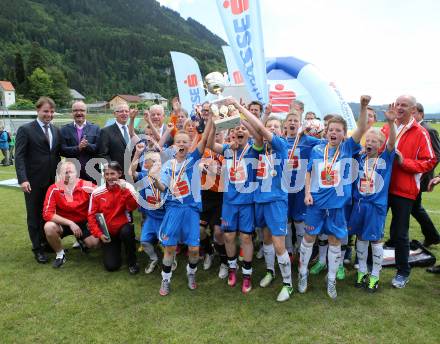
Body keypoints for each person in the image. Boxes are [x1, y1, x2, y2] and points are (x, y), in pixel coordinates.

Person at [298, 95, 370, 299]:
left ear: (343, 134)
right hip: (316, 204)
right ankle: (302, 275)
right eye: (331, 129)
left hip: (337, 205)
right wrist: (307, 192)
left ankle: (331, 281)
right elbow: (309, 172)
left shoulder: (347, 148)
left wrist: (363, 107)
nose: (334, 133)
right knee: (309, 238)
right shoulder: (317, 149)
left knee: (334, 241)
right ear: (326, 132)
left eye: (339, 130)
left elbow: (362, 129)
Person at [235, 99, 294, 302]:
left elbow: (258, 126)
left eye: (276, 127)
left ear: (281, 131)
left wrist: (239, 107)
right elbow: (255, 131)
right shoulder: (259, 148)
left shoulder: (282, 146)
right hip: (259, 200)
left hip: (276, 200)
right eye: (270, 126)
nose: (272, 129)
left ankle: (288, 284)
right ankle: (271, 271)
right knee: (266, 239)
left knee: (279, 244)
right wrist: (240, 115)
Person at [149, 117, 212, 296]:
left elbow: (205, 138)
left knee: (193, 249)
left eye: (185, 141)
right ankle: (165, 279)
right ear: (174, 145)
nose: (182, 144)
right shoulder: (168, 165)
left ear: (190, 143)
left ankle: (191, 273)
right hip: (173, 209)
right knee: (169, 248)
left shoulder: (193, 159)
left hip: (191, 210)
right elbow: (163, 188)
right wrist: (154, 180)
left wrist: (211, 121)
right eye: (178, 142)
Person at [382, 95, 437, 288]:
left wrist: (404, 162)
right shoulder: (388, 126)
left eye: (404, 105)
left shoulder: (421, 132)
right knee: (375, 228)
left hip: (404, 190)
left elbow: (429, 161)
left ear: (413, 109)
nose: (399, 107)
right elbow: (377, 147)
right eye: (397, 104)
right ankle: (369, 264)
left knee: (400, 233)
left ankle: (403, 271)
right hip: (382, 187)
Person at [348, 106, 397, 292]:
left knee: (375, 240)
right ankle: (362, 270)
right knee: (360, 237)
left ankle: (375, 275)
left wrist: (391, 123)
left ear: (380, 144)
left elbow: (392, 142)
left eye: (374, 141)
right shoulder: (359, 158)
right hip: (359, 204)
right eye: (368, 140)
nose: (370, 143)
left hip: (376, 206)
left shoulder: (386, 157)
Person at [208, 121, 259, 293]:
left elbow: (259, 136)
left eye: (243, 129)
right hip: (229, 202)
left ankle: (247, 275)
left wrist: (244, 120)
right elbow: (208, 144)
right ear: (231, 134)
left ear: (249, 134)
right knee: (228, 237)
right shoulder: (227, 150)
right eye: (236, 129)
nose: (240, 131)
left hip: (247, 202)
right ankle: (232, 269)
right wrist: (213, 123)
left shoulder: (254, 149)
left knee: (246, 238)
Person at [15, 96, 61, 263]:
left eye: (51, 111)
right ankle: (37, 248)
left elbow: (56, 154)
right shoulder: (26, 129)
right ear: (38, 111)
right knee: (34, 216)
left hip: (51, 182)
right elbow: (19, 156)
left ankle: (46, 242)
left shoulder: (56, 130)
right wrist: (23, 179)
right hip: (32, 182)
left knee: (47, 215)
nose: (48, 114)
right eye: (45, 111)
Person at [43, 161, 100, 268]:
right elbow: (47, 214)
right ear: (59, 175)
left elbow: (104, 195)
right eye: (65, 172)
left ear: (77, 173)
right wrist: (70, 223)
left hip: (83, 222)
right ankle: (60, 255)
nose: (68, 175)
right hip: (64, 223)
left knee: (94, 244)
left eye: (71, 172)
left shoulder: (87, 185)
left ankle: (82, 241)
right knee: (49, 227)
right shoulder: (53, 188)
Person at [88, 161, 140, 274]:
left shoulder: (127, 187)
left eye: (113, 174)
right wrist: (99, 234)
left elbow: (133, 207)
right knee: (111, 266)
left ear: (119, 174)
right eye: (107, 174)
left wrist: (124, 191)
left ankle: (132, 261)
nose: (110, 177)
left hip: (123, 226)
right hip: (107, 232)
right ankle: (115, 249)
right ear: (103, 175)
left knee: (127, 232)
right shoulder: (97, 193)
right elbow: (91, 216)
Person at [129, 145, 165, 274]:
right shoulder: (144, 175)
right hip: (151, 217)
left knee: (167, 243)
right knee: (144, 242)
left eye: (157, 161)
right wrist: (137, 154)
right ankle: (153, 258)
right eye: (151, 161)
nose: (155, 164)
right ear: (147, 164)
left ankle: (171, 259)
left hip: (165, 218)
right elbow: (131, 173)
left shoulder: (166, 176)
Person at [411, 102, 440, 247]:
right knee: (414, 208)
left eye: (414, 113)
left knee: (413, 207)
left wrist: (421, 173)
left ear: (421, 114)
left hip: (420, 176)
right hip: (412, 175)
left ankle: (432, 236)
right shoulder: (411, 129)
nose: (411, 116)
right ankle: (432, 236)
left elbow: (436, 155)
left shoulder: (428, 130)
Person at [60, 101, 101, 182]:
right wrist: (78, 148)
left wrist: (87, 145)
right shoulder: (64, 129)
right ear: (72, 112)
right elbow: (62, 151)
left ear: (86, 112)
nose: (79, 113)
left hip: (92, 173)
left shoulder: (95, 128)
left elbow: (99, 149)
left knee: (91, 194)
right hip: (72, 174)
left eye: (82, 110)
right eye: (75, 110)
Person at [98, 102, 135, 176]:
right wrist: (112, 171)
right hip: (117, 175)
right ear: (114, 114)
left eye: (126, 111)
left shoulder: (134, 131)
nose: (124, 113)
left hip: (134, 174)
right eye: (121, 111)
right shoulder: (106, 131)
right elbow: (103, 154)